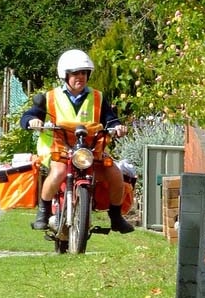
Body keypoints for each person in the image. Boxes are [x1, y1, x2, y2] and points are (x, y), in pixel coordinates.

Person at [19, 49, 134, 234]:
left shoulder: (98, 97)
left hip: (89, 150)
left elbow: (110, 119)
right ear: (65, 75)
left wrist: (117, 126)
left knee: (115, 173)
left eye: (83, 73)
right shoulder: (50, 97)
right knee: (59, 172)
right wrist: (32, 121)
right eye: (75, 73)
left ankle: (116, 216)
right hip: (58, 148)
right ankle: (43, 212)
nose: (80, 77)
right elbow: (29, 116)